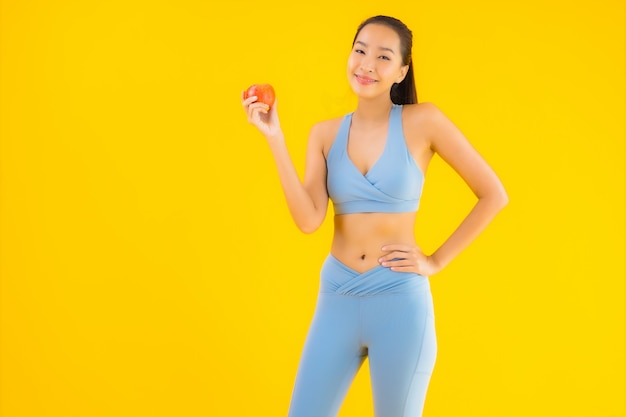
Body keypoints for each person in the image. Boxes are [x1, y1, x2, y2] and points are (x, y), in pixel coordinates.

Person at [241, 14, 508, 417]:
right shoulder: (324, 134)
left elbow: (493, 194)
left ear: (401, 71)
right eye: (360, 51)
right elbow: (309, 220)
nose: (366, 64)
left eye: (383, 57)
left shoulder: (424, 121)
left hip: (399, 300)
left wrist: (435, 260)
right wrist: (274, 137)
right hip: (337, 296)